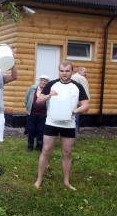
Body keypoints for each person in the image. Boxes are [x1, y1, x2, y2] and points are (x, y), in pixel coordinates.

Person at [34, 61, 89, 191]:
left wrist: (74, 112)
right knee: (46, 151)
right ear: (59, 71)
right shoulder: (51, 84)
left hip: (68, 124)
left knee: (67, 153)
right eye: (62, 71)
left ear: (71, 71)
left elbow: (86, 105)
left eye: (67, 71)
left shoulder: (77, 86)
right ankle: (39, 179)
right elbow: (39, 101)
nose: (64, 74)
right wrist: (48, 95)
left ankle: (66, 181)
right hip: (51, 122)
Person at [24, 75, 49, 151]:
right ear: (39, 81)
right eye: (42, 80)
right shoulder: (32, 88)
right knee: (31, 130)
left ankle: (39, 146)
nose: (43, 82)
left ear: (47, 83)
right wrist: (28, 107)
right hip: (31, 113)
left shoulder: (48, 91)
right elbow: (26, 98)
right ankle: (30, 146)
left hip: (43, 114)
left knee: (40, 130)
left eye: (45, 81)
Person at [71, 67, 90, 132]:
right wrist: (87, 102)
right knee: (76, 116)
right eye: (85, 72)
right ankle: (75, 131)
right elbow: (85, 90)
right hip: (79, 100)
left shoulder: (72, 77)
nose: (85, 74)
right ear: (80, 71)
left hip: (71, 99)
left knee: (72, 115)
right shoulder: (81, 78)